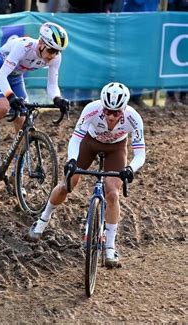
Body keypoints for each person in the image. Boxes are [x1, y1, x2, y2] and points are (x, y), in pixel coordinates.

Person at [29, 82, 146, 267]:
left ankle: (109, 247)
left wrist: (130, 168)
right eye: (107, 111)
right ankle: (43, 218)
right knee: (68, 184)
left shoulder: (134, 118)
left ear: (124, 109)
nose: (111, 116)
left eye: (116, 113)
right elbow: (76, 138)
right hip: (89, 143)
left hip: (116, 149)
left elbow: (140, 154)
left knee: (113, 193)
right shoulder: (92, 109)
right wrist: (72, 160)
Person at [0, 22, 71, 164]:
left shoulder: (55, 57)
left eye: (57, 51)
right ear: (41, 43)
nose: (53, 55)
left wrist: (58, 99)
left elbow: (52, 85)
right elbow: (1, 76)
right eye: (51, 50)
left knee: (24, 116)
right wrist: (10, 96)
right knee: (3, 107)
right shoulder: (24, 47)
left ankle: (17, 172)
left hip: (15, 77)